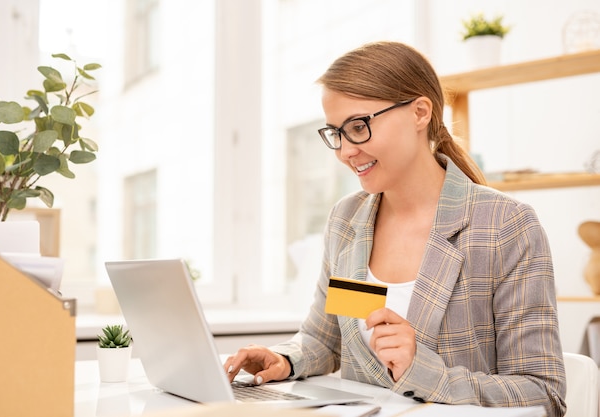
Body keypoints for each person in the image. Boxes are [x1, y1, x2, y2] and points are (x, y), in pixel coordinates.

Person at [223, 41, 566, 417]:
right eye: (336, 132)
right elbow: (327, 340)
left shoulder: (504, 226)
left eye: (358, 126)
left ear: (420, 112)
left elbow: (542, 393)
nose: (345, 152)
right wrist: (284, 359)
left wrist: (423, 372)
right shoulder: (348, 220)